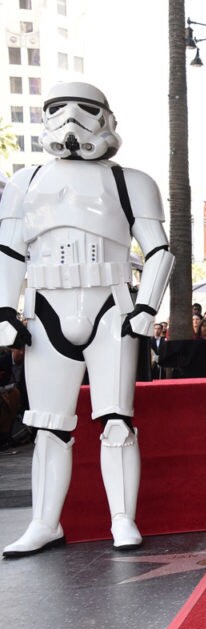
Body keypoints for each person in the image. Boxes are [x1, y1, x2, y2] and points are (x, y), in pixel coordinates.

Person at [0, 82, 173, 557]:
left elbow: (158, 251)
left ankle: (122, 518)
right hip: (46, 307)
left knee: (116, 419)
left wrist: (146, 307)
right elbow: (10, 251)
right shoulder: (25, 181)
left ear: (105, 117)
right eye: (57, 109)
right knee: (48, 425)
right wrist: (2, 310)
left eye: (85, 110)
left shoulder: (131, 181)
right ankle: (43, 522)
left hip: (110, 307)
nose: (71, 119)